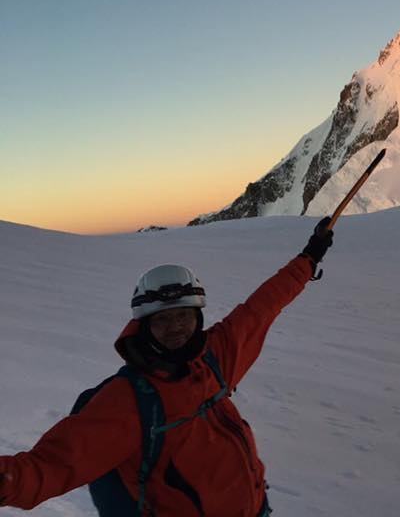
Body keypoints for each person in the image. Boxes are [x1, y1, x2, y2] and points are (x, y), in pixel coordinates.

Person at [0, 216, 335, 516]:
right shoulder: (129, 400)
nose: (176, 328)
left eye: (183, 316)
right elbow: (53, 465)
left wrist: (309, 257)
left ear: (197, 316)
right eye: (163, 319)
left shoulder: (215, 355)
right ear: (144, 325)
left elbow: (265, 304)